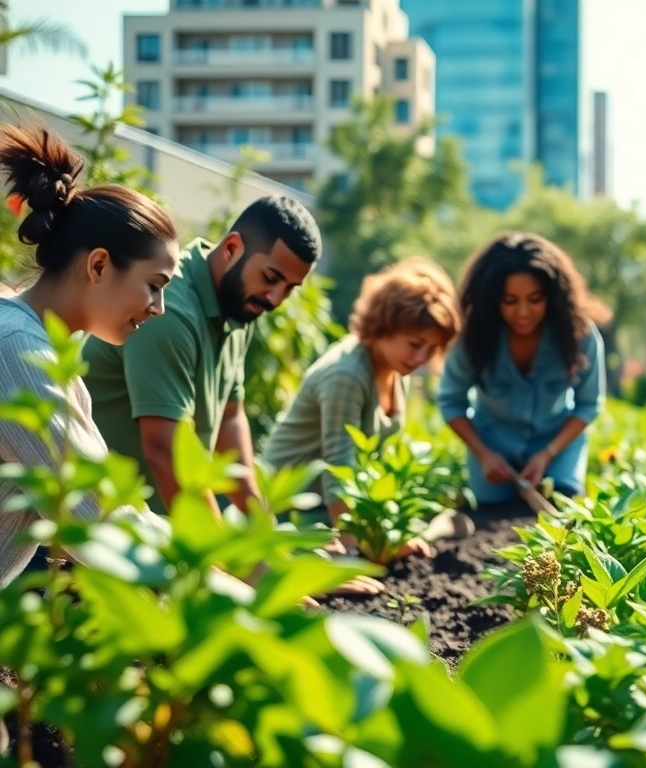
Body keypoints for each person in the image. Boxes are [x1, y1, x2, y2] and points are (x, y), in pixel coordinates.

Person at [0, 124, 178, 585]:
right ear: (98, 265)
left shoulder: (42, 348)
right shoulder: (18, 349)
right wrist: (231, 588)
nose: (158, 309)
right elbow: (97, 519)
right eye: (154, 286)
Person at [82, 194, 321, 519]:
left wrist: (261, 530)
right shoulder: (169, 311)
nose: (276, 298)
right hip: (97, 523)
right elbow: (165, 451)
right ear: (232, 248)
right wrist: (222, 557)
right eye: (270, 278)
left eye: (291, 288)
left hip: (156, 522)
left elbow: (230, 418)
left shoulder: (239, 305)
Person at [262, 258, 463, 556]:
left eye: (431, 349)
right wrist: (352, 548)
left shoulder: (396, 370)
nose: (421, 357)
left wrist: (388, 537)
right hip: (284, 510)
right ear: (385, 326)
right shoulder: (347, 374)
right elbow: (339, 466)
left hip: (325, 509)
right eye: (415, 343)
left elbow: (377, 465)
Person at [437, 232, 609, 505]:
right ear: (492, 300)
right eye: (510, 301)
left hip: (557, 445)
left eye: (535, 299)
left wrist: (548, 453)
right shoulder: (472, 339)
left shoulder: (580, 335)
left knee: (563, 502)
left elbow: (588, 404)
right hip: (494, 452)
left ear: (553, 296)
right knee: (492, 508)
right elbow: (450, 401)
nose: (523, 312)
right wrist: (484, 454)